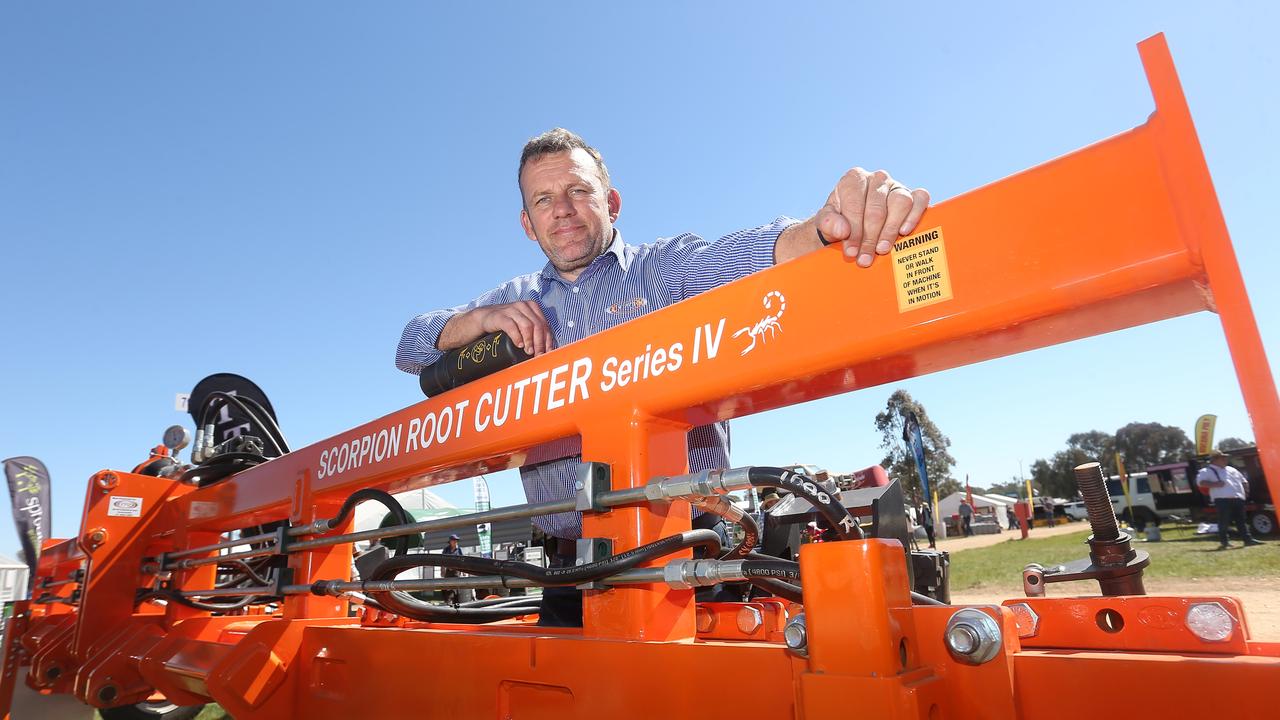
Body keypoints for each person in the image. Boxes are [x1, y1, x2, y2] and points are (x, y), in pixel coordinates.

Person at [396, 128, 929, 625]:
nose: (561, 210)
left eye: (578, 191)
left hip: (690, 563)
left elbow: (751, 257)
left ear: (612, 202)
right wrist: (476, 321)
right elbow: (410, 346)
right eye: (543, 200)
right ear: (526, 223)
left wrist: (821, 230)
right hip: (567, 575)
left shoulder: (666, 272)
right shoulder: (511, 302)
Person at [1196, 449, 1264, 549]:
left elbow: (1243, 480)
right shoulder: (1207, 471)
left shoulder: (1231, 469)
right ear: (1214, 460)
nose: (1225, 459)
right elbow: (1200, 483)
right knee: (1224, 521)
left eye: (1225, 457)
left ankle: (1248, 540)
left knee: (1241, 520)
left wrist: (1246, 491)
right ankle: (1225, 542)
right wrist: (1215, 484)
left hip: (1238, 498)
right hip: (1222, 499)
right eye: (1222, 458)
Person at [440, 533, 464, 605]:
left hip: (456, 571)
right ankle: (448, 601)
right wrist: (442, 570)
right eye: (454, 540)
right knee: (447, 585)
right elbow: (442, 560)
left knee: (456, 586)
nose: (455, 542)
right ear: (450, 541)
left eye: (456, 540)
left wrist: (463, 571)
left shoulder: (459, 550)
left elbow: (462, 560)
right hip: (448, 571)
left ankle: (456, 601)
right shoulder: (446, 550)